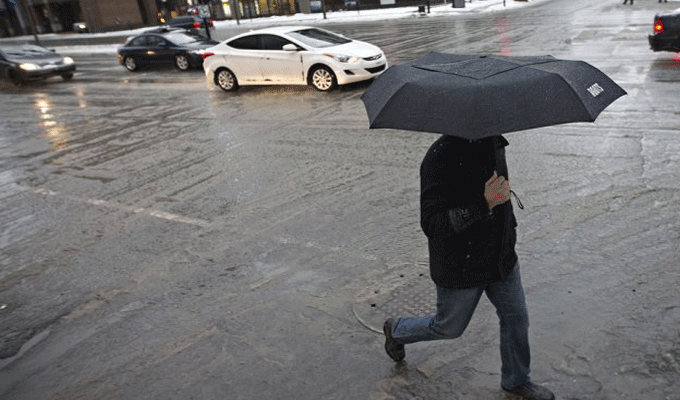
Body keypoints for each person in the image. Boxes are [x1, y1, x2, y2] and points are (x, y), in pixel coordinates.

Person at [382, 135, 555, 400]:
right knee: (448, 328)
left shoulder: (494, 142)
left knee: (517, 318)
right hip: (462, 264)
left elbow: (500, 197)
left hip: (501, 257)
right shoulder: (439, 157)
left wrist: (507, 229)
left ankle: (517, 381)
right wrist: (484, 203)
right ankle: (397, 330)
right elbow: (432, 224)